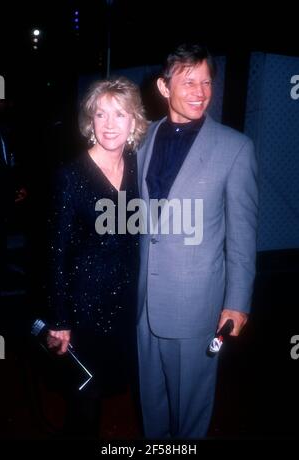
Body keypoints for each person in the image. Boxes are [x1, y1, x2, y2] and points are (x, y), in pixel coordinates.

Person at [136, 43, 258, 439]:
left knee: (189, 415)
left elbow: (242, 234)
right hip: (141, 304)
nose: (200, 91)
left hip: (195, 306)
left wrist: (237, 303)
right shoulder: (139, 141)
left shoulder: (235, 148)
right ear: (163, 86)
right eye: (188, 81)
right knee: (151, 405)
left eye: (206, 82)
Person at [43, 76, 147, 438]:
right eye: (100, 115)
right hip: (83, 309)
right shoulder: (70, 176)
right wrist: (59, 319)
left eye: (119, 115)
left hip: (126, 307)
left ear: (134, 120)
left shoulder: (138, 169)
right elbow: (55, 253)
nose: (109, 125)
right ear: (90, 121)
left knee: (115, 392)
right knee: (85, 402)